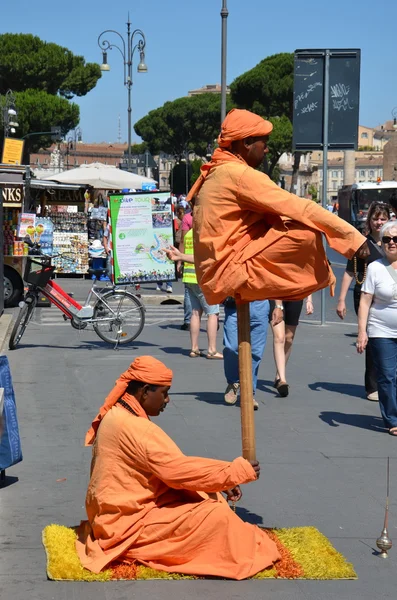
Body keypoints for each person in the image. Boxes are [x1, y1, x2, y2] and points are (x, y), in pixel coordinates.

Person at [76, 356, 280, 578]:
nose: (167, 400)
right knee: (217, 516)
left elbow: (173, 468)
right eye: (164, 393)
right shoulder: (136, 427)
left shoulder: (118, 414)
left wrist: (221, 481)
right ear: (144, 392)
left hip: (112, 516)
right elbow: (177, 471)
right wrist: (234, 473)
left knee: (208, 496)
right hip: (124, 526)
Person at [187, 109, 369, 306]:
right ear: (246, 143)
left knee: (282, 222)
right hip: (229, 272)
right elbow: (302, 208)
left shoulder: (217, 171)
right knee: (306, 233)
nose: (266, 150)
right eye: (264, 143)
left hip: (214, 272)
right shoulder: (239, 175)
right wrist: (354, 240)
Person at [336, 202, 390, 401]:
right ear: (370, 220)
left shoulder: (391, 241)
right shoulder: (362, 243)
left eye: (382, 218)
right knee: (372, 338)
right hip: (364, 295)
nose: (379, 222)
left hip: (387, 297)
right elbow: (350, 271)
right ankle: (372, 386)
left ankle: (386, 380)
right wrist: (341, 299)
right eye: (375, 218)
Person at [357, 221, 397, 436]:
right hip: (381, 330)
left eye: (396, 239)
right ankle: (392, 419)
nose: (392, 243)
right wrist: (362, 331)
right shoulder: (375, 267)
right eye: (387, 239)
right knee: (387, 376)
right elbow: (365, 301)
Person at [166, 233, 223, 359]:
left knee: (195, 313)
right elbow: (205, 257)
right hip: (204, 279)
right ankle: (212, 350)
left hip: (189, 278)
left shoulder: (188, 234)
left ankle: (194, 348)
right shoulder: (206, 234)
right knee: (213, 313)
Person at [223, 297, 270, 410]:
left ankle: (248, 392)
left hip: (260, 303)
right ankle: (234, 382)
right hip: (235, 302)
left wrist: (279, 306)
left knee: (255, 353)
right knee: (231, 347)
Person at [269, 296, 313, 397]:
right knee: (279, 338)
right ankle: (282, 379)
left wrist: (309, 299)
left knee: (289, 338)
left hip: (295, 294)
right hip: (274, 295)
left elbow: (307, 279)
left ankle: (278, 374)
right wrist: (278, 306)